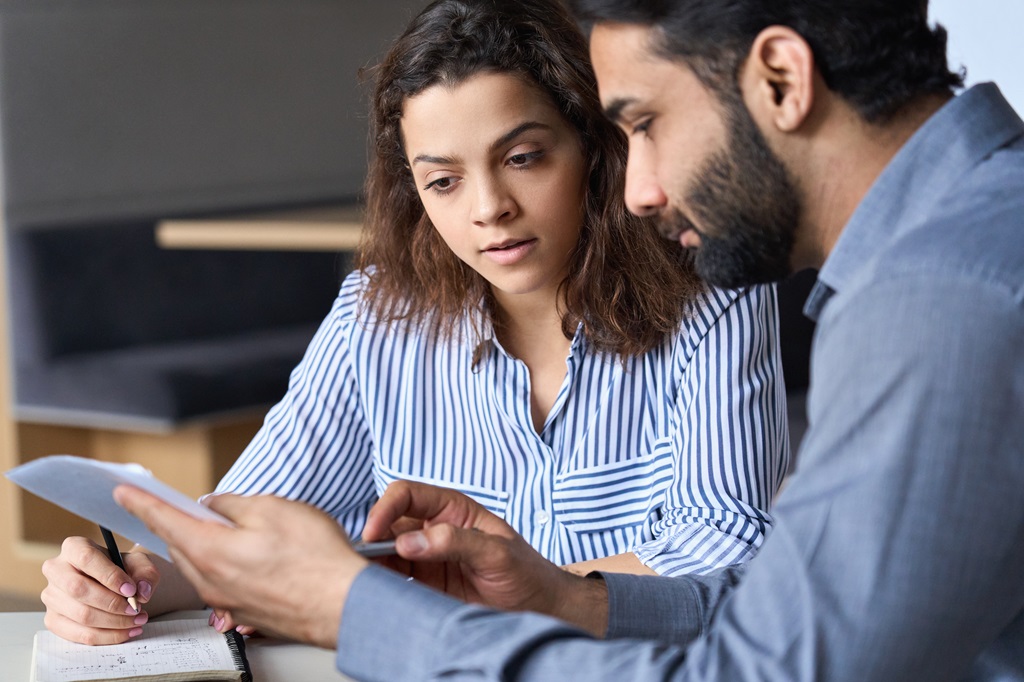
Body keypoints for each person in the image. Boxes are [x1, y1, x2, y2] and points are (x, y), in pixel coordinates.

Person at [115, 0, 1024, 678]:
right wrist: (559, 595)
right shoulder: (962, 248)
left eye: (642, 125)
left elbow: (762, 670)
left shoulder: (941, 302)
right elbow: (785, 617)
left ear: (781, 79)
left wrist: (355, 608)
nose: (638, 188)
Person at [40, 0, 790, 646]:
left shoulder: (712, 291)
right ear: (415, 192)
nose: (488, 207)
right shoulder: (377, 313)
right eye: (443, 180)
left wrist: (514, 593)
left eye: (523, 157)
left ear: (594, 150)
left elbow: (729, 553)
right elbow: (249, 527)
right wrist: (123, 584)